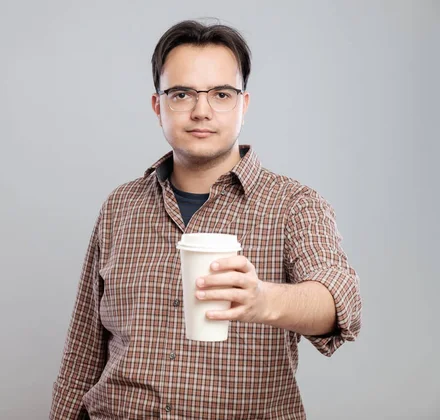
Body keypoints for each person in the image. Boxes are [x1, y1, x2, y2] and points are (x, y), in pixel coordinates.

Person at [50, 19, 362, 419]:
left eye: (221, 94)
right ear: (157, 105)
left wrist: (262, 300)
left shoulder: (294, 204)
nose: (201, 111)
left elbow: (341, 302)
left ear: (243, 105)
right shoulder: (120, 207)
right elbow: (82, 352)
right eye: (181, 94)